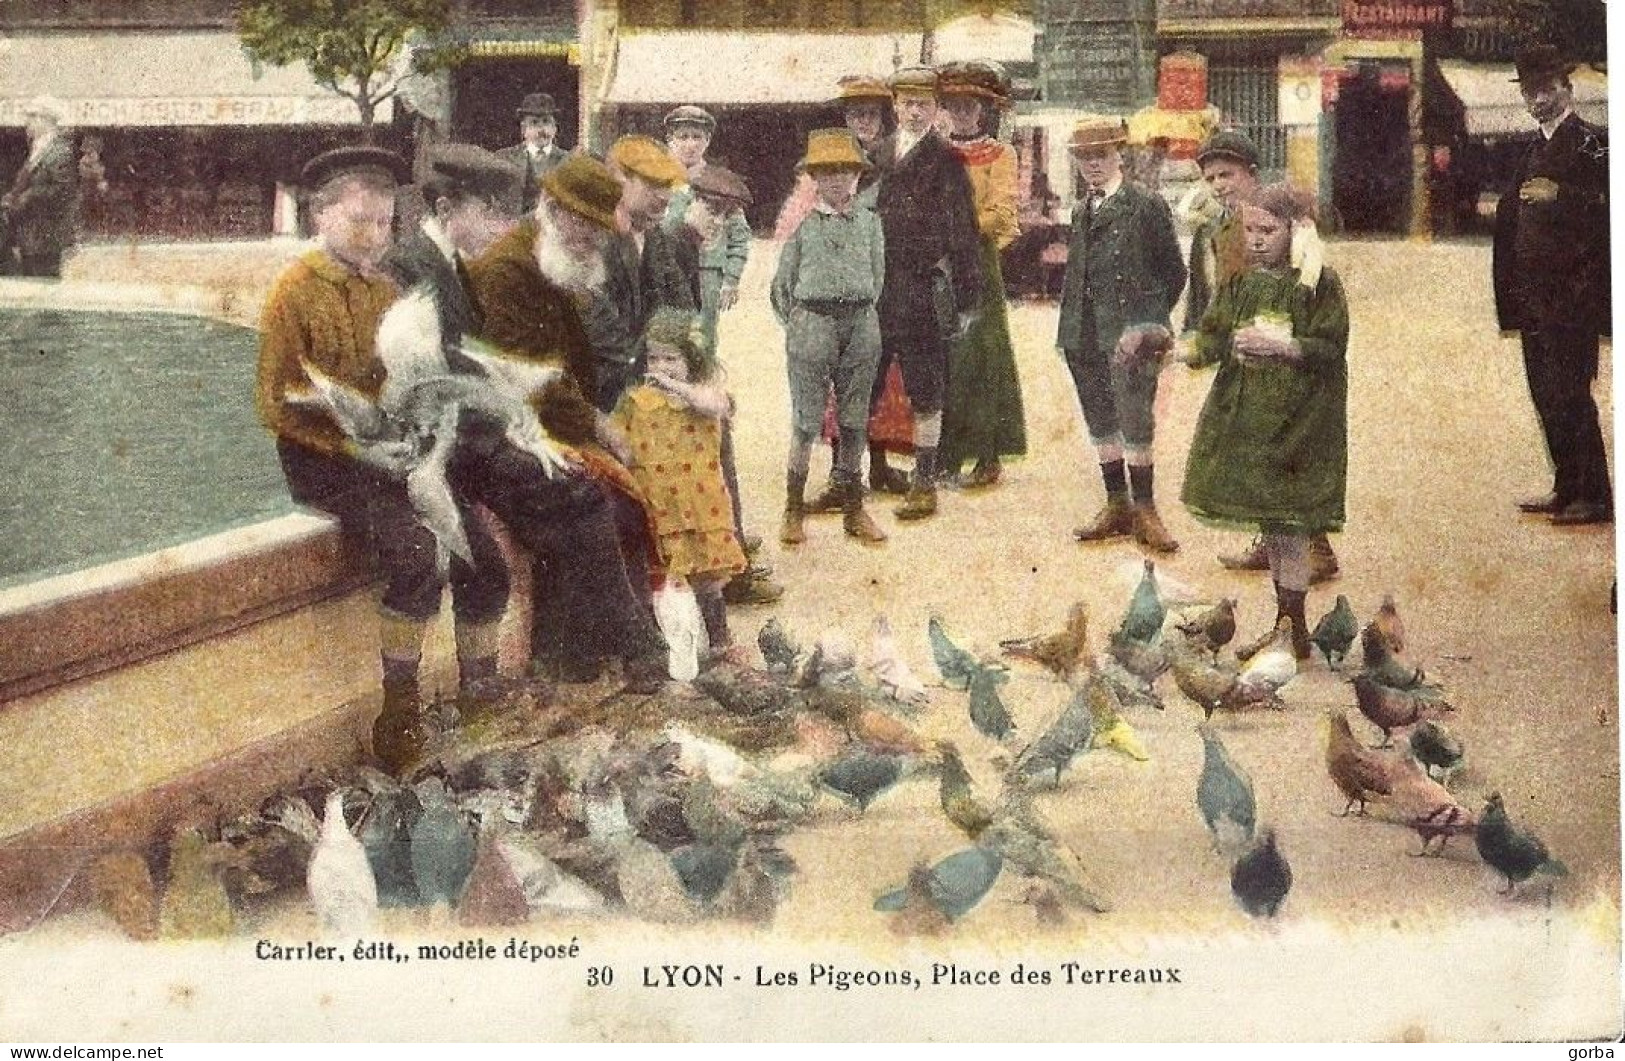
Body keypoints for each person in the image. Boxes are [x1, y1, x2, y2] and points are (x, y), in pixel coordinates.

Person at [255, 145, 491, 771]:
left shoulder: (391, 286)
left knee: (483, 555)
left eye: (385, 223)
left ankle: (483, 699)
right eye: (359, 221)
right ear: (320, 219)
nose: (374, 236)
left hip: (395, 451)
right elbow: (278, 407)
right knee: (417, 555)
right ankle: (400, 712)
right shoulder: (294, 292)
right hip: (326, 460)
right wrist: (360, 447)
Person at [467, 155, 672, 686]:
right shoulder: (509, 269)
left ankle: (588, 657)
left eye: (600, 230)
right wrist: (598, 425)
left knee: (625, 504)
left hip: (545, 423)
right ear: (552, 209)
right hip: (501, 430)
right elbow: (524, 376)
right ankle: (621, 648)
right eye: (584, 225)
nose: (594, 241)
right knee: (591, 499)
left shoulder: (553, 258)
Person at [1180, 183, 1349, 661]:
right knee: (1275, 525)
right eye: (1249, 230)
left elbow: (1331, 348)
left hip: (1301, 421)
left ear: (1293, 231)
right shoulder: (1240, 283)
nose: (1255, 240)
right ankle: (1286, 627)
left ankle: (1291, 630)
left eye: (1267, 231)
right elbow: (1211, 339)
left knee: (1290, 524)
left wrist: (1283, 347)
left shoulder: (1318, 284)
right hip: (1252, 420)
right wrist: (1172, 352)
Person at [1186, 131, 1340, 582]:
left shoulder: (1285, 223)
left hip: (1281, 350)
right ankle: (1271, 539)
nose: (1218, 185)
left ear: (1251, 175)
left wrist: (1281, 340)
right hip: (1244, 344)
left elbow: (1305, 282)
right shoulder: (1223, 225)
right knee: (1253, 447)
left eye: (1227, 175)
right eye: (1211, 177)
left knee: (1284, 449)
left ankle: (1316, 548)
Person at [1493, 45, 1613, 526]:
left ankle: (1596, 496)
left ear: (1568, 88)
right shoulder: (1530, 148)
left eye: (1546, 89)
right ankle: (1566, 488)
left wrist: (1564, 195)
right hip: (1534, 299)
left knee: (1572, 394)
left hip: (1574, 298)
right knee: (1545, 393)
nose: (1538, 99)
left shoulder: (1594, 143)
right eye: (1529, 91)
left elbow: (1611, 210)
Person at [1058, 117, 1187, 554]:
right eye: (1085, 157)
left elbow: (1174, 272)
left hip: (1130, 336)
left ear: (1119, 155)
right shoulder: (1080, 210)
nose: (1093, 164)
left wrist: (1146, 326)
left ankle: (1145, 509)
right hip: (1083, 333)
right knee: (1100, 420)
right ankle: (1117, 504)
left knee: (1136, 421)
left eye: (1102, 155)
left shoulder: (1145, 205)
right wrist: (1072, 332)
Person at [871, 65, 984, 522]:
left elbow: (965, 231)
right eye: (907, 102)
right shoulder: (873, 156)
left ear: (935, 109)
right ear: (895, 107)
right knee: (869, 381)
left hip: (920, 288)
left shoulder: (947, 161)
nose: (914, 111)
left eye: (923, 103)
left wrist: (968, 295)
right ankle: (873, 469)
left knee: (926, 386)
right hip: (875, 289)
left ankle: (923, 481)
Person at [611, 309, 749, 664]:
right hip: (659, 507)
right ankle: (670, 650)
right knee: (660, 579)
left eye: (671, 358)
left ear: (693, 359)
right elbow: (618, 441)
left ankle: (720, 643)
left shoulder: (703, 398)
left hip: (703, 509)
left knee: (707, 580)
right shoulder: (635, 401)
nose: (661, 366)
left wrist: (676, 387)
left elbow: (719, 404)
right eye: (654, 357)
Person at [772, 129, 888, 547]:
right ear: (814, 178)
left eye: (846, 171)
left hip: (860, 323)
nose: (838, 180)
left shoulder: (870, 224)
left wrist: (858, 311)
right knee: (806, 421)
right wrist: (804, 324)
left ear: (858, 175)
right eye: (827, 172)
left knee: (855, 421)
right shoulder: (802, 227)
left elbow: (877, 278)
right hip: (812, 322)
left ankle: (854, 509)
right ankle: (792, 508)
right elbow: (781, 289)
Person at [935, 60, 1027, 491]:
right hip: (939, 262)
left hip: (978, 260)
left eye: (969, 106)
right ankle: (946, 453)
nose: (961, 113)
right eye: (954, 105)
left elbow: (1003, 209)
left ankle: (988, 455)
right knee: (942, 354)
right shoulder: (934, 150)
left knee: (981, 353)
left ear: (982, 109)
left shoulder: (1001, 154)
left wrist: (959, 229)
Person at [583, 135, 691, 412]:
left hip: (645, 374)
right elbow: (597, 321)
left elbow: (679, 301)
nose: (665, 195)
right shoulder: (594, 232)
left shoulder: (654, 235)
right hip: (600, 384)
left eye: (668, 185)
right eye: (652, 183)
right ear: (620, 180)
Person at [382, 142, 519, 347]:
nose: (496, 228)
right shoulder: (401, 267)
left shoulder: (457, 263)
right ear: (445, 210)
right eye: (487, 212)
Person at [1, 96, 79, 278]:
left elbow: (63, 189)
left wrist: (27, 196)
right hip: (30, 235)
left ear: (46, 119)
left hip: (46, 235)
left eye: (32, 117)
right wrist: (12, 196)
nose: (28, 123)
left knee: (43, 283)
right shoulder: (38, 148)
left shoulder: (60, 151)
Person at [498, 93, 568, 215]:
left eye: (546, 122)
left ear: (555, 128)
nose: (541, 130)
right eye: (534, 123)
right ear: (523, 129)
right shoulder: (505, 158)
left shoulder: (567, 161)